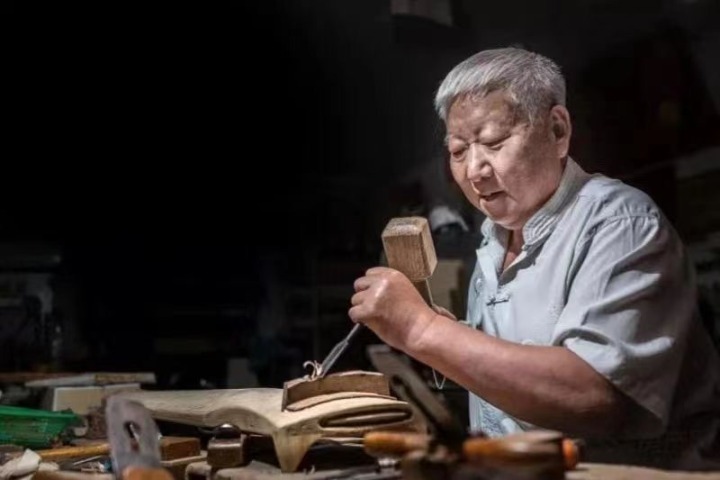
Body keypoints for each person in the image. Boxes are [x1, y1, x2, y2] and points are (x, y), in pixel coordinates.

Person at [348, 47, 720, 470]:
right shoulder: (495, 239)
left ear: (558, 131)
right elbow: (520, 363)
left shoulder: (619, 223)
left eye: (494, 142)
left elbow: (595, 397)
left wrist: (423, 329)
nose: (474, 171)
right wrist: (453, 341)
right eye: (457, 150)